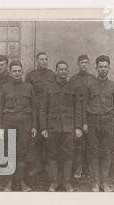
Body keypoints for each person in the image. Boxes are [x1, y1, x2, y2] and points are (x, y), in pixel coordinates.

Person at [39, 61, 83, 192]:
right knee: (52, 154)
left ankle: (67, 182)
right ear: (56, 71)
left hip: (68, 127)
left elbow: (78, 109)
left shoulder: (72, 88)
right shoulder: (48, 88)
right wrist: (43, 128)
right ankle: (54, 182)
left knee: (68, 154)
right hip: (53, 127)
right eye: (61, 69)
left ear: (67, 71)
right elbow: (42, 109)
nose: (63, 71)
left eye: (65, 69)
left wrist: (78, 127)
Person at [83, 55, 114, 192]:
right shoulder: (89, 85)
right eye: (100, 67)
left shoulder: (113, 86)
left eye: (106, 67)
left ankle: (104, 183)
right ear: (96, 68)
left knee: (106, 152)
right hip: (93, 121)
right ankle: (95, 182)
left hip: (108, 122)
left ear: (109, 68)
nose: (103, 69)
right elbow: (84, 105)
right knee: (93, 152)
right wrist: (85, 123)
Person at [0, 60, 37, 192]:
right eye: (14, 71)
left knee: (21, 154)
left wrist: (34, 126)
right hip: (9, 124)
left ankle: (21, 182)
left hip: (25, 125)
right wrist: (0, 128)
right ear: (10, 72)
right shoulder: (5, 88)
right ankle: (9, 183)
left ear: (22, 72)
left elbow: (34, 108)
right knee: (9, 153)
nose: (17, 73)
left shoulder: (29, 87)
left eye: (19, 71)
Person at [25, 52, 56, 177]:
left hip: (49, 111)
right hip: (36, 111)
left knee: (49, 139)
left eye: (46, 59)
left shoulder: (52, 75)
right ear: (37, 61)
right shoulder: (31, 76)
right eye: (41, 59)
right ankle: (37, 166)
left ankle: (48, 166)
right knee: (36, 140)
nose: (44, 61)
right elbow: (27, 94)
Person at [68, 54, 95, 179]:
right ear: (78, 64)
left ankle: (88, 167)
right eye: (82, 62)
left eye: (86, 62)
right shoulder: (73, 80)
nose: (84, 64)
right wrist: (77, 123)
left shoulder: (93, 79)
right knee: (78, 144)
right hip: (77, 116)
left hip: (91, 116)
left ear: (89, 64)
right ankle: (78, 167)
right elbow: (71, 102)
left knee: (90, 144)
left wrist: (88, 121)